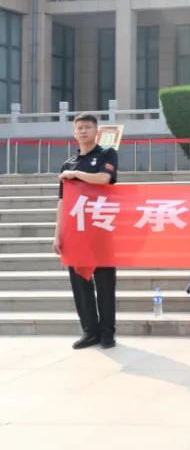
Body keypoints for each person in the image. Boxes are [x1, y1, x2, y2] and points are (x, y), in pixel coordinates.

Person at [53, 113, 118, 349]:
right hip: (76, 233)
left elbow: (104, 178)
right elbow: (62, 202)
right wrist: (58, 234)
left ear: (96, 131)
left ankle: (107, 333)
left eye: (87, 127)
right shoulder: (67, 164)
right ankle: (90, 332)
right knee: (81, 285)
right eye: (79, 128)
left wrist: (76, 175)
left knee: (105, 285)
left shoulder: (107, 154)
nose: (83, 131)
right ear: (74, 132)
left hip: (101, 230)